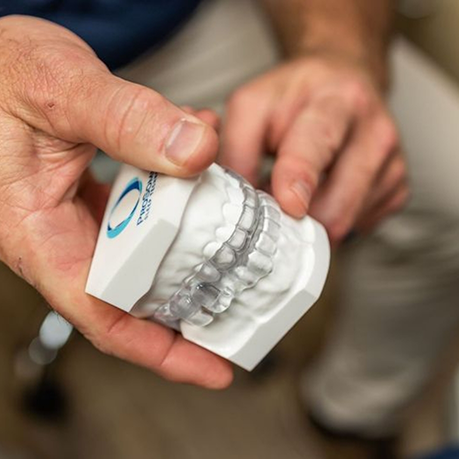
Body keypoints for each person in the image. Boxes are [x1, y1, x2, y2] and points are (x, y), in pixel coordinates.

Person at [0, 0, 407, 395]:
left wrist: (338, 51)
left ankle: (349, 407)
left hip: (188, 22)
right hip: (14, 59)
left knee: (444, 201)